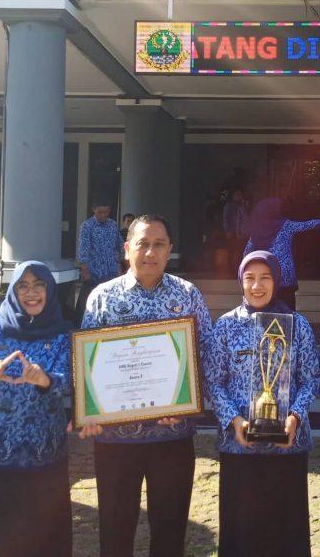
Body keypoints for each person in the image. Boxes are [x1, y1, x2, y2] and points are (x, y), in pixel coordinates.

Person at [79, 214, 214, 557]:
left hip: (172, 435)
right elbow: (87, 364)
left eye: (158, 244)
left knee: (170, 532)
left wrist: (188, 402)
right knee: (115, 530)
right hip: (115, 440)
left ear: (170, 250)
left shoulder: (188, 295)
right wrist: (89, 409)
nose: (150, 252)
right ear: (127, 249)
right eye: (142, 244)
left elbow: (207, 355)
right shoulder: (102, 297)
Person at [0, 261, 73, 557]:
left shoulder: (64, 334)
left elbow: (71, 379)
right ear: (13, 291)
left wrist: (44, 379)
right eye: (23, 286)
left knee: (40, 541)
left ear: (50, 290)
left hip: (43, 454)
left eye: (39, 285)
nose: (31, 293)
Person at [205, 251, 319, 557]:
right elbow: (213, 382)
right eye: (250, 278)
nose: (257, 285)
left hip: (287, 448)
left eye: (265, 277)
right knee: (243, 531)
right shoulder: (225, 326)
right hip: (239, 446)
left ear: (276, 281)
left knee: (285, 530)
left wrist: (294, 417)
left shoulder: (296, 325)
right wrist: (234, 421)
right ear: (241, 281)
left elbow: (311, 380)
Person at [244, 196, 320, 309]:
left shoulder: (257, 233)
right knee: (288, 314)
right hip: (285, 281)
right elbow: (309, 224)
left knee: (266, 314)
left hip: (265, 280)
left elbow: (246, 256)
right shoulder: (285, 226)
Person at [76, 201, 124, 325]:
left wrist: (121, 267)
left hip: (112, 274)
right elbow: (83, 251)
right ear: (94, 209)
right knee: (91, 307)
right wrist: (86, 273)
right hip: (95, 275)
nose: (103, 215)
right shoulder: (87, 226)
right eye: (100, 212)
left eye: (106, 212)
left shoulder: (113, 225)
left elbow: (120, 246)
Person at [222, 188, 251, 271]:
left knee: (240, 250)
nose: (239, 197)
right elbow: (226, 218)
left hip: (241, 231)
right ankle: (231, 268)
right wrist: (228, 230)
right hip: (232, 231)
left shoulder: (243, 205)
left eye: (240, 195)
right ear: (233, 195)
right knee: (232, 250)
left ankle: (239, 267)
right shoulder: (229, 206)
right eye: (237, 194)